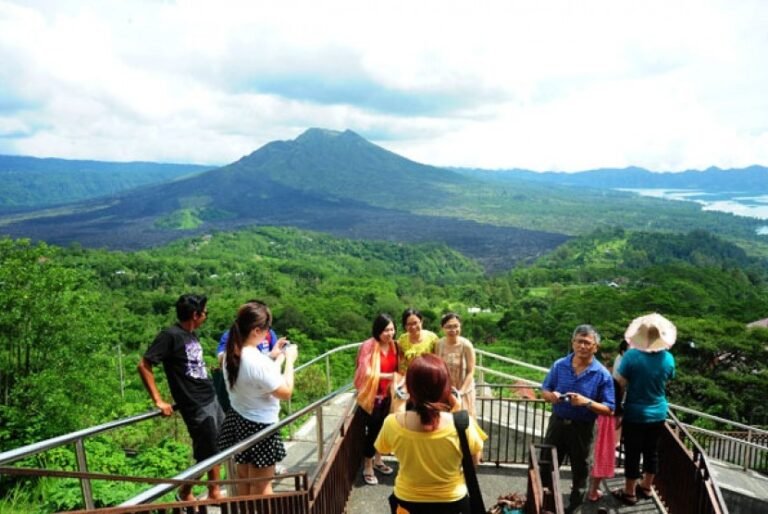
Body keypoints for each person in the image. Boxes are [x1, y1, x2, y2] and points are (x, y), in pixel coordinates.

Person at [137, 293, 224, 501]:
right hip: (194, 402)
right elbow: (144, 364)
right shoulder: (170, 335)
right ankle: (194, 491)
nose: (206, 316)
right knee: (208, 451)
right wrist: (158, 400)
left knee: (217, 446)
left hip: (210, 396)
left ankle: (205, 491)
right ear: (195, 315)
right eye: (205, 313)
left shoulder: (192, 334)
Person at [375, 354, 485, 513]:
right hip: (452, 501)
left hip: (407, 502)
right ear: (445, 387)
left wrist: (398, 401)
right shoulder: (462, 423)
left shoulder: (392, 423)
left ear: (410, 387)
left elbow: (383, 448)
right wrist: (458, 410)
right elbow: (474, 458)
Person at [216, 301, 298, 496]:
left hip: (239, 419)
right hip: (261, 427)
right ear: (256, 330)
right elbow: (285, 392)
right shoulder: (257, 361)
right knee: (262, 487)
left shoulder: (230, 354)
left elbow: (260, 379)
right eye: (267, 329)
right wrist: (290, 363)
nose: (268, 332)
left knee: (243, 479)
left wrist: (278, 359)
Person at [540, 324, 615, 510]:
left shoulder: (602, 374)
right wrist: (552, 396)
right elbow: (545, 389)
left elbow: (609, 408)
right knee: (546, 466)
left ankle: (574, 509)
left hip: (583, 428)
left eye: (587, 343)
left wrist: (586, 402)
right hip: (557, 423)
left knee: (580, 472)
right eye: (579, 342)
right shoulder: (559, 365)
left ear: (595, 347)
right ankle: (545, 505)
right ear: (573, 343)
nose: (582, 346)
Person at [613, 315, 676, 506]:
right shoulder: (668, 358)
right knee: (651, 451)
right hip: (658, 413)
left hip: (635, 413)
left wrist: (617, 410)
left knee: (632, 453)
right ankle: (647, 487)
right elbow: (669, 378)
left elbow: (620, 384)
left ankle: (629, 492)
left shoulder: (631, 356)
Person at [354, 313, 400, 485]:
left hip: (388, 395)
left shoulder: (395, 346)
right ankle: (367, 465)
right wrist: (390, 376)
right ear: (378, 330)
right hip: (372, 397)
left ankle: (378, 460)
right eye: (385, 330)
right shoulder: (369, 346)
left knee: (384, 429)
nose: (389, 333)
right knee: (373, 431)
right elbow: (365, 372)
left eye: (392, 329)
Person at [435, 313, 477, 417]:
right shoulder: (439, 344)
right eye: (448, 327)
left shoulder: (466, 345)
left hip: (463, 391)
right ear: (442, 328)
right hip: (445, 391)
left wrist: (461, 392)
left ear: (460, 327)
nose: (453, 330)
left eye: (456, 326)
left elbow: (470, 371)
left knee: (463, 422)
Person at [398, 308, 439, 373]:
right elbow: (401, 362)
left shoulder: (432, 338)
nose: (413, 327)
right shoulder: (402, 340)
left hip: (429, 376)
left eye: (415, 323)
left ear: (421, 322)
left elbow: (438, 360)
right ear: (405, 326)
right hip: (409, 377)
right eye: (409, 324)